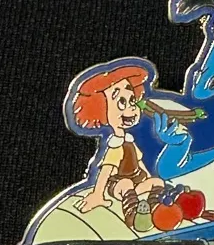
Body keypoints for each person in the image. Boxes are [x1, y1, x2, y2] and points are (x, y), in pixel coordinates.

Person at [71, 64, 165, 229]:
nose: (131, 107)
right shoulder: (116, 145)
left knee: (157, 182)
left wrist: (149, 178)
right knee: (125, 184)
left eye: (131, 100)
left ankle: (156, 209)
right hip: (118, 185)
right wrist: (97, 194)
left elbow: (139, 162)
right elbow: (106, 170)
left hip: (137, 182)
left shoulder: (129, 140)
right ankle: (133, 216)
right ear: (102, 111)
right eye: (121, 102)